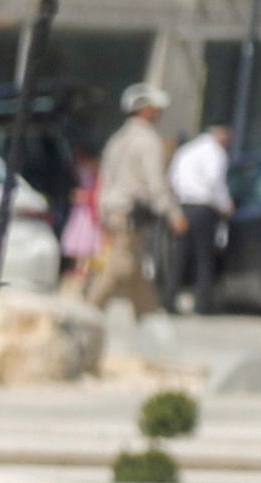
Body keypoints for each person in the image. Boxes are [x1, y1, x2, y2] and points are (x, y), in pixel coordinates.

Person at [84, 84, 176, 316]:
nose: (159, 114)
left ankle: (149, 317)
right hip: (130, 212)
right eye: (156, 109)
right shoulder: (148, 140)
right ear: (145, 110)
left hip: (112, 210)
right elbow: (155, 181)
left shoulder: (117, 139)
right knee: (120, 266)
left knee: (133, 266)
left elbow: (105, 178)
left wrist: (101, 210)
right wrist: (173, 213)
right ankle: (89, 312)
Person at [168, 116, 234, 313]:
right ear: (220, 133)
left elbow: (173, 177)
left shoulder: (187, 149)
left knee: (180, 255)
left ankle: (169, 298)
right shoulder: (215, 153)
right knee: (204, 256)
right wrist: (225, 204)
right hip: (204, 208)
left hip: (183, 205)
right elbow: (215, 182)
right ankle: (203, 303)